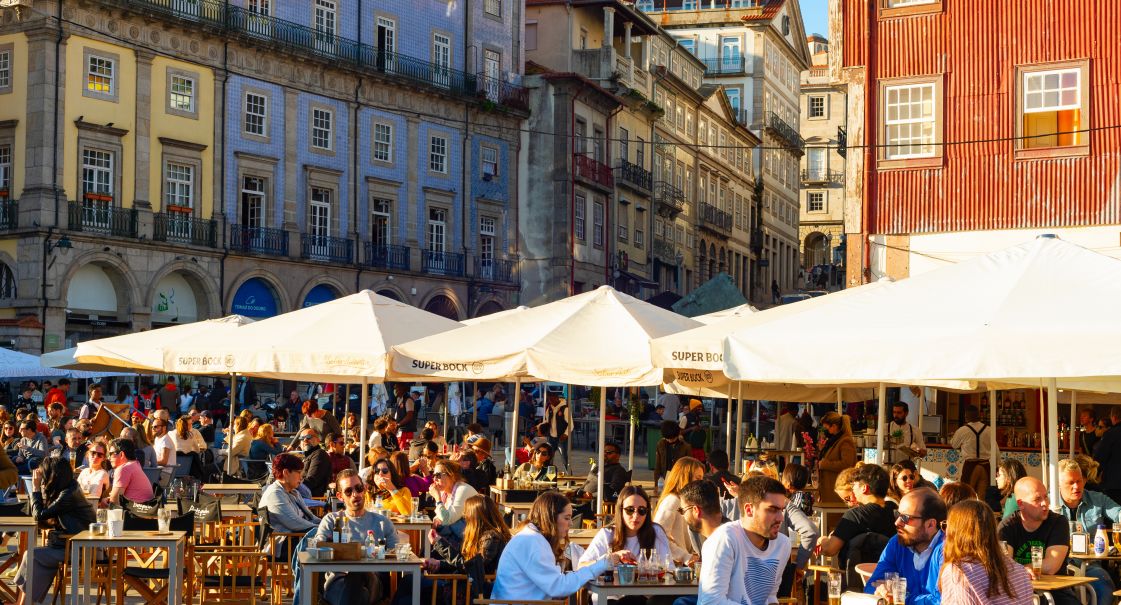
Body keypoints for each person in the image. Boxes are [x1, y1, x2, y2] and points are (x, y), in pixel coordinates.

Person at [491, 491, 628, 601]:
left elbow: (556, 588)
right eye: (567, 518)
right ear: (551, 518)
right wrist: (604, 563)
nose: (571, 523)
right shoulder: (533, 542)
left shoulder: (531, 537)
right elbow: (559, 588)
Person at [697, 476, 791, 605]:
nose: (780, 518)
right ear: (749, 510)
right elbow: (711, 601)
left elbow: (770, 597)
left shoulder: (782, 544)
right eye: (772, 510)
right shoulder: (725, 539)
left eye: (782, 510)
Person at [16, 457, 96, 605]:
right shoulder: (68, 488)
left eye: (45, 475)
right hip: (68, 545)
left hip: (80, 549)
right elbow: (41, 519)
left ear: (53, 475)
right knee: (33, 557)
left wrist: (35, 488)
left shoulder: (69, 494)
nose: (42, 478)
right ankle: (23, 603)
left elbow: (38, 515)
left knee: (33, 555)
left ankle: (24, 603)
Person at [579, 486, 676, 603]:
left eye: (641, 510)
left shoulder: (656, 532)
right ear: (620, 509)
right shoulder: (607, 534)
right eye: (630, 510)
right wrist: (610, 559)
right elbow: (581, 567)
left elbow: (670, 571)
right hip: (610, 596)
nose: (635, 516)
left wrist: (649, 571)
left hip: (646, 597)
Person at [315, 470, 399, 605]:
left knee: (358, 574)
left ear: (365, 489)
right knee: (355, 583)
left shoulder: (382, 522)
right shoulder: (332, 520)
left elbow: (397, 553)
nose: (355, 494)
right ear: (340, 496)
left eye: (359, 488)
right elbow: (318, 546)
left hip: (372, 580)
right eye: (348, 491)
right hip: (338, 580)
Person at [938, 499, 1034, 605]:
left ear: (955, 532)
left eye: (947, 526)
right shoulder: (1018, 569)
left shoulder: (958, 572)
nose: (945, 531)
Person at [999, 477, 1077, 605]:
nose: (1045, 503)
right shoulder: (1007, 526)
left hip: (1056, 591)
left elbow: (1051, 566)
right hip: (1019, 590)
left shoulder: (1058, 522)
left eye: (1046, 497)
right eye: (1037, 499)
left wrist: (1020, 569)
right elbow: (1004, 564)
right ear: (1021, 504)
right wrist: (1022, 571)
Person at [864, 487, 946, 604]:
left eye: (905, 518)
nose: (897, 522)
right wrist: (880, 591)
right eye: (897, 514)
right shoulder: (897, 543)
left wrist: (900, 597)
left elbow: (943, 600)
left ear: (930, 525)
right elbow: (871, 586)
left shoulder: (948, 550)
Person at [1056, 458, 1118, 605]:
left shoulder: (1097, 499)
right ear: (1058, 484)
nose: (1076, 486)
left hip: (1090, 565)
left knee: (1105, 587)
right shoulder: (1050, 503)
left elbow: (1119, 513)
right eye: (1070, 483)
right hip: (1058, 567)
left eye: (1079, 481)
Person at [424, 495, 510, 599]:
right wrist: (440, 564)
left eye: (466, 513)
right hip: (462, 586)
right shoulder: (479, 535)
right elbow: (465, 561)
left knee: (411, 586)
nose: (464, 516)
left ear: (475, 516)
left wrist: (439, 543)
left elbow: (471, 566)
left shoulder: (491, 538)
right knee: (410, 583)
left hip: (468, 592)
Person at [816, 464, 897, 569]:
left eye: (855, 484)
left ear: (864, 488)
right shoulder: (895, 510)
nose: (853, 488)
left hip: (859, 578)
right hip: (890, 573)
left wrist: (822, 540)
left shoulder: (855, 516)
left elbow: (830, 549)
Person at [259, 453, 320, 544]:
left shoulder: (293, 492)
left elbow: (310, 517)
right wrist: (321, 528)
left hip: (298, 539)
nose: (301, 477)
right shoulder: (274, 494)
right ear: (286, 473)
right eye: (299, 472)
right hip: (284, 545)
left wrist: (327, 523)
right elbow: (294, 523)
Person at [653, 456, 705, 556]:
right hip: (672, 567)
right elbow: (658, 536)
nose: (701, 483)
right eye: (698, 478)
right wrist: (685, 557)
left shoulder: (686, 501)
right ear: (684, 477)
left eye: (702, 479)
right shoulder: (672, 500)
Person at [950, 406, 997, 496]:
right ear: (978, 415)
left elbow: (954, 445)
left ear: (966, 416)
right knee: (982, 496)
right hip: (985, 465)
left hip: (970, 465)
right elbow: (994, 446)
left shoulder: (962, 430)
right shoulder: (989, 430)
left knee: (967, 495)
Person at [678, 479, 729, 558]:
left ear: (696, 510)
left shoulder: (718, 544)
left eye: (682, 510)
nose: (682, 515)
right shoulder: (731, 534)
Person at [430, 459, 479, 538]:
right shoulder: (445, 492)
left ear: (451, 475)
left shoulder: (462, 490)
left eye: (438, 475)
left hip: (473, 537)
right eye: (433, 475)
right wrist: (437, 519)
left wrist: (437, 499)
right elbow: (441, 517)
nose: (435, 479)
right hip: (461, 535)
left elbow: (447, 520)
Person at [816, 412, 857, 505]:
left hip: (837, 489)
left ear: (834, 426)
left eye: (827, 428)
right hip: (829, 488)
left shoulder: (845, 441)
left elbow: (847, 464)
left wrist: (825, 464)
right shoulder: (834, 441)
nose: (826, 431)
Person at [106, 439, 154, 506]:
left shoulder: (124, 469)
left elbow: (114, 501)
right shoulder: (135, 464)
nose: (108, 458)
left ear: (122, 454)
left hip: (133, 514)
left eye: (111, 454)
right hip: (144, 509)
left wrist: (104, 503)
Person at [1092, 406, 1121, 504]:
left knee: (1114, 514)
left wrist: (1092, 476)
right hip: (1114, 482)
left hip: (1114, 483)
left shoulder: (1110, 434)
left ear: (1113, 417)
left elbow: (1100, 459)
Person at [299, 429, 332, 497]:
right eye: (302, 438)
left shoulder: (319, 454)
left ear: (318, 440)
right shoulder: (306, 456)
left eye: (308, 437)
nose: (305, 440)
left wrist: (290, 488)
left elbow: (311, 481)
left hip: (311, 499)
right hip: (300, 496)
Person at [543, 394, 571, 472]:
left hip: (561, 438)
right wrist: (538, 427)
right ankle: (550, 476)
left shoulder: (565, 409)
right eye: (549, 400)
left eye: (552, 399)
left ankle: (570, 478)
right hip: (551, 438)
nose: (550, 402)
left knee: (564, 458)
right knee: (549, 458)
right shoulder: (549, 408)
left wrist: (565, 434)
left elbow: (571, 424)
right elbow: (546, 421)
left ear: (557, 398)